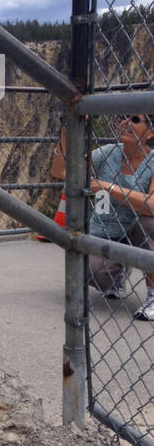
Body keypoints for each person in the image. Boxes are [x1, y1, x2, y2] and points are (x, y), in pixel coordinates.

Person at [59, 115, 154, 320]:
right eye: (124, 118)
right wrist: (68, 130)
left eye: (136, 119)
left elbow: (152, 204)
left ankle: (153, 296)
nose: (126, 122)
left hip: (137, 231)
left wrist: (108, 187)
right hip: (105, 232)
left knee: (149, 224)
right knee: (90, 272)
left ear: (150, 132)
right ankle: (116, 276)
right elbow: (63, 171)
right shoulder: (109, 151)